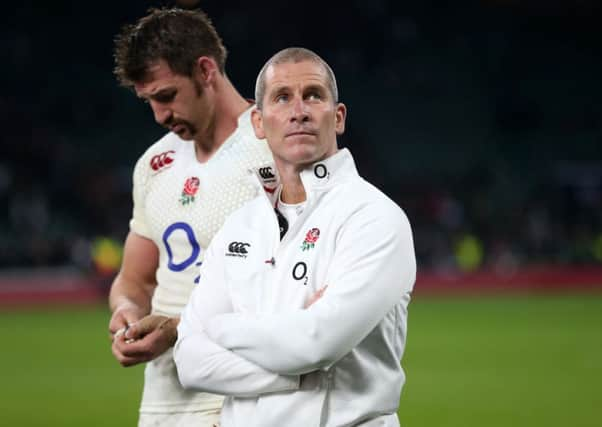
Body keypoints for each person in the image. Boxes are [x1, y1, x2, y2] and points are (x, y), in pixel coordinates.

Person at [174, 47, 417, 427]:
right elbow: (189, 362)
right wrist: (300, 369)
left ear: (337, 118)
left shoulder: (374, 218)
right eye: (282, 97)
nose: (299, 110)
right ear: (257, 122)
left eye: (314, 96)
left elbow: (317, 343)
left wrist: (221, 330)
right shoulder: (239, 225)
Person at [107, 8, 276, 427]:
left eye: (166, 96)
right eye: (149, 102)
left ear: (205, 71)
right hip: (165, 402)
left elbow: (294, 288)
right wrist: (126, 309)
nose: (160, 115)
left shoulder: (276, 149)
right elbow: (137, 278)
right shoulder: (153, 166)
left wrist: (181, 328)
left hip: (244, 398)